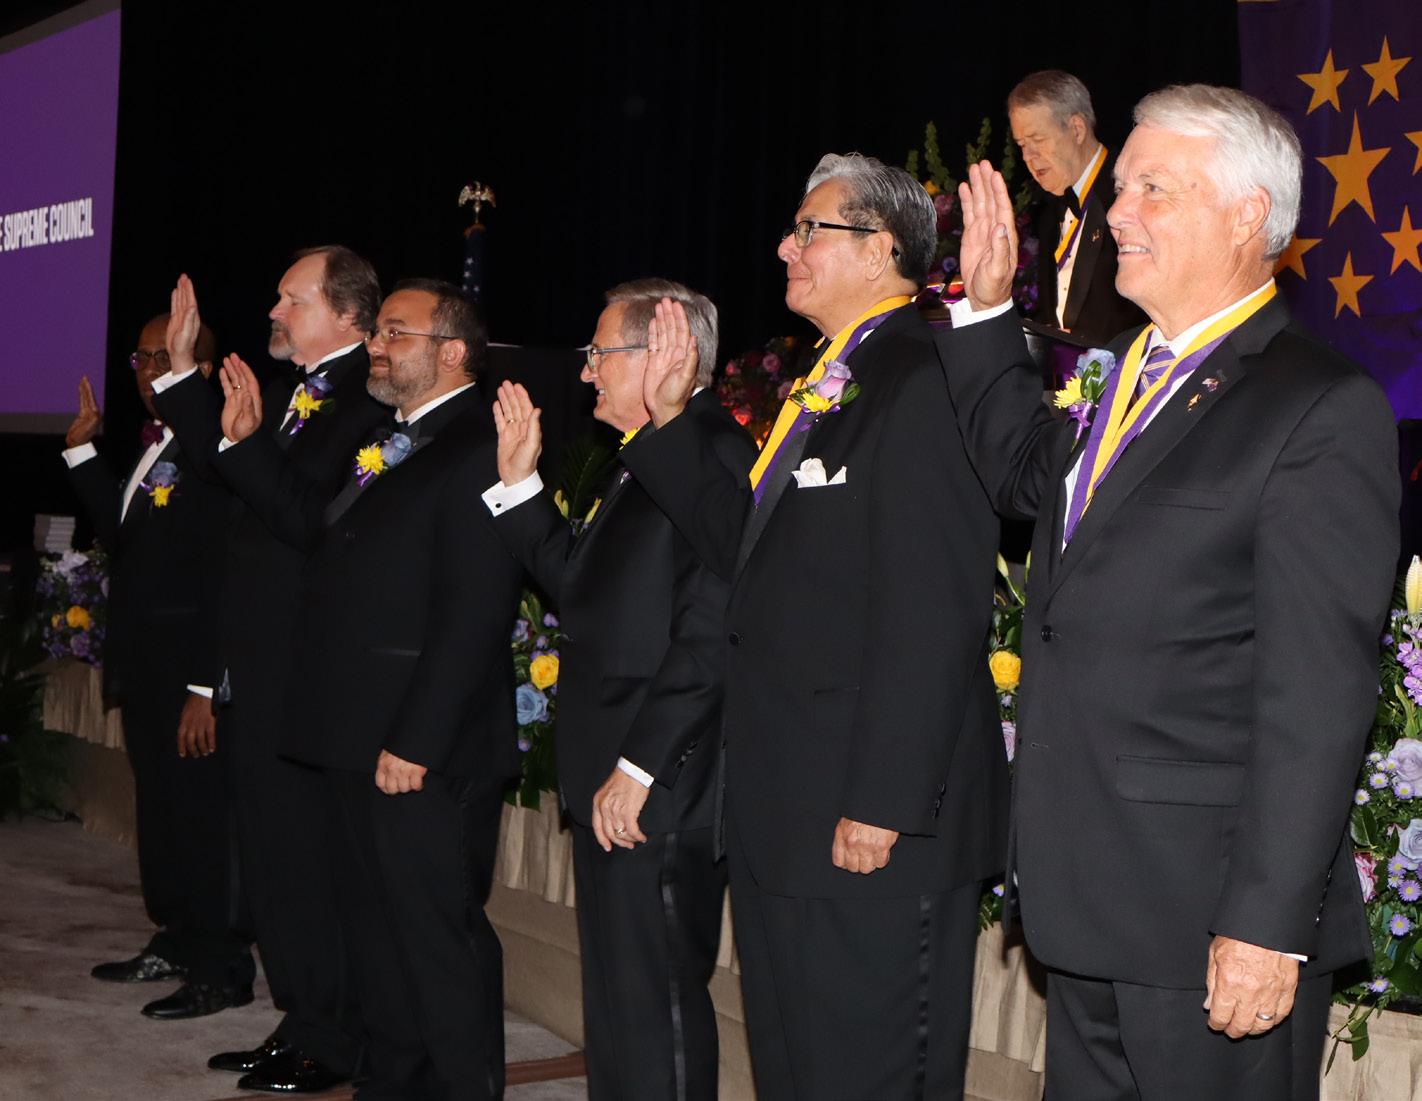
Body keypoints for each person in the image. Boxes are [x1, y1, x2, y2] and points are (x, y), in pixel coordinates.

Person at [941, 85, 1399, 1099]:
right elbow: (1021, 473)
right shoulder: (1119, 371)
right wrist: (984, 309)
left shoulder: (1316, 407)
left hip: (1206, 916)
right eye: (1122, 188)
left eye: (1154, 188)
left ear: (1246, 217)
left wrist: (1265, 925)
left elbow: (1316, 696)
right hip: (1085, 898)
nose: (1117, 210)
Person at [626, 155, 1009, 1099]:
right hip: (789, 809)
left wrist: (884, 799)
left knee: (870, 1074)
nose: (784, 247)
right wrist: (669, 423)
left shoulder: (922, 374)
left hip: (871, 815)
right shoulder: (831, 379)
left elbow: (934, 605)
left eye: (809, 229)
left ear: (881, 250)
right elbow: (749, 557)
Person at [218, 278, 522, 1100]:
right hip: (356, 734)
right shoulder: (393, 440)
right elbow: (317, 538)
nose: (377, 347)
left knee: (436, 939)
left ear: (451, 352)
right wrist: (247, 446)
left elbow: (475, 612)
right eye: (378, 330)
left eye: (395, 333)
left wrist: (417, 739)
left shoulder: (479, 445)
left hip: (426, 746)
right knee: (377, 936)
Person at [486, 278, 755, 1099]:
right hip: (618, 776)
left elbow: (711, 633)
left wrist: (640, 766)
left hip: (660, 781)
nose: (586, 372)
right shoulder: (645, 457)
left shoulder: (710, 452)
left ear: (664, 352)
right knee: (616, 1001)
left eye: (600, 353)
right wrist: (520, 484)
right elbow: (581, 585)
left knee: (654, 1001)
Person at [153, 247, 387, 1093]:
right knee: (273, 861)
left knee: (307, 861)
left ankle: (333, 1034)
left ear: (347, 314)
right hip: (258, 667)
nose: (274, 312)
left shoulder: (367, 397)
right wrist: (182, 374)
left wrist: (243, 441)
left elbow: (305, 519)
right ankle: (303, 1018)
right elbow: (224, 474)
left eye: (292, 299)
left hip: (307, 671)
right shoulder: (295, 391)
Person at [62, 314, 254, 1019]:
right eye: (139, 358)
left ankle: (221, 965)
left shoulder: (211, 450)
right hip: (147, 668)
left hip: (189, 674)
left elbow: (225, 576)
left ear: (198, 370)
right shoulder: (159, 445)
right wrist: (82, 453)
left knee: (200, 819)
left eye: (157, 357)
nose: (143, 370)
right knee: (163, 813)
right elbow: (126, 541)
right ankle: (176, 939)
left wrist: (207, 684)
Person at [1008, 70, 1143, 352]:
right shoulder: (1050, 212)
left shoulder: (1133, 194)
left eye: (1038, 139)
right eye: (1022, 145)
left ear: (1077, 129)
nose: (1028, 157)